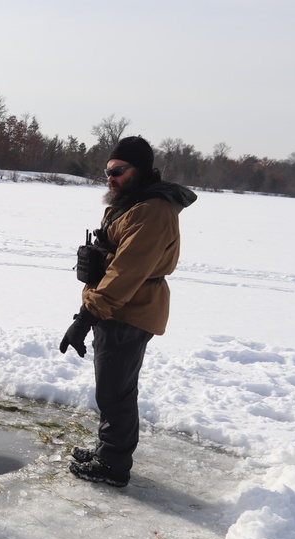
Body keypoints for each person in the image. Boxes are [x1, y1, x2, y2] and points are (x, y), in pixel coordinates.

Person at [59, 136, 197, 487]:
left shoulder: (152, 211)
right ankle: (109, 449)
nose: (111, 177)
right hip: (116, 308)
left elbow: (126, 272)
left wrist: (85, 317)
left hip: (128, 310)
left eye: (118, 171)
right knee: (114, 386)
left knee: (115, 390)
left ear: (141, 170)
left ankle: (113, 465)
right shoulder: (133, 201)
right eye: (107, 171)